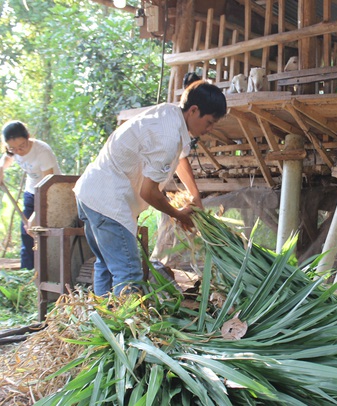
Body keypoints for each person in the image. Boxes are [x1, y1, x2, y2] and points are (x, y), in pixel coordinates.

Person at [74, 81, 227, 296]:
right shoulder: (169, 137)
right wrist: (179, 215)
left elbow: (181, 159)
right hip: (108, 202)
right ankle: (121, 328)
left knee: (106, 265)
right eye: (209, 122)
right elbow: (149, 192)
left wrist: (195, 196)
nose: (210, 129)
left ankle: (101, 324)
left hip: (90, 193)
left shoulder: (170, 115)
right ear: (194, 111)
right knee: (128, 275)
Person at [0, 121, 62, 270]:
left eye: (21, 146)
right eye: (13, 148)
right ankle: (27, 272)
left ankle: (50, 270)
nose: (18, 151)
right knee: (27, 232)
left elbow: (47, 184)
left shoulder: (42, 151)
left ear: (28, 137)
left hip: (52, 193)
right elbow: (7, 158)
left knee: (45, 232)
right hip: (31, 192)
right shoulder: (12, 151)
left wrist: (37, 213)